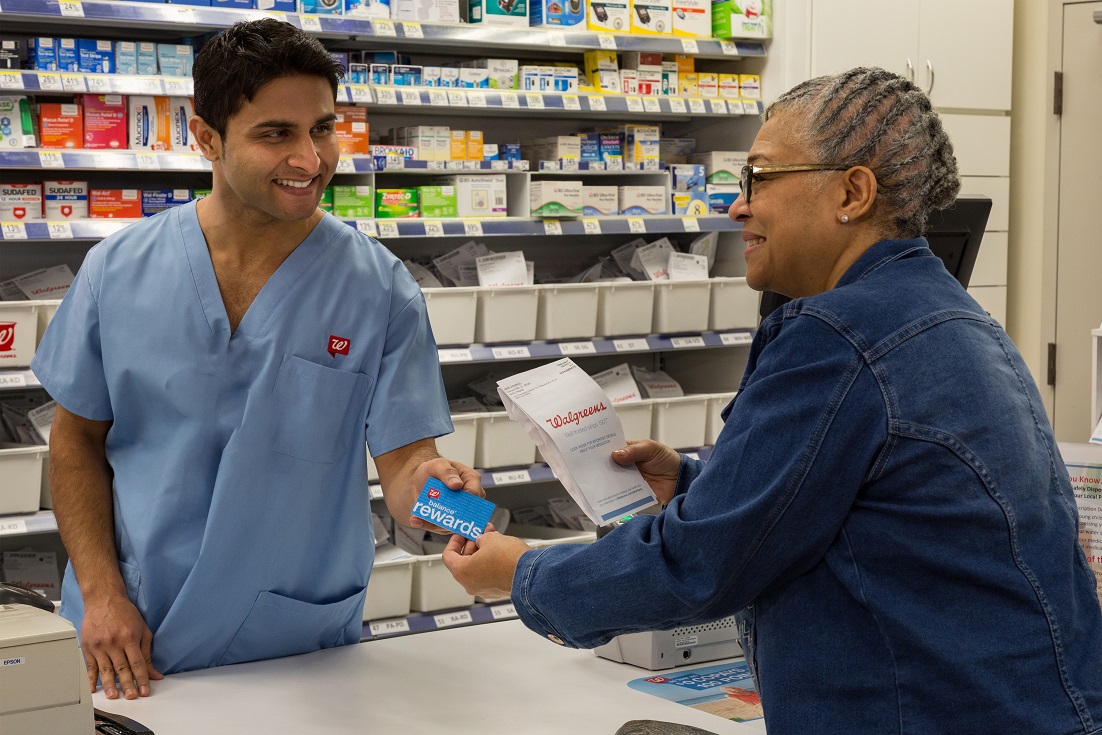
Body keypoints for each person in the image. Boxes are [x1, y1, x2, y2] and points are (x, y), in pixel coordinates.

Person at [444, 67, 1102, 734]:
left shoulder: (836, 336)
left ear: (853, 192)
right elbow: (874, 509)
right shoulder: (961, 319)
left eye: (758, 177)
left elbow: (696, 565)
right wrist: (697, 485)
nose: (737, 205)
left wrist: (521, 573)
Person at [32, 19, 480, 701]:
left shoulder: (379, 288)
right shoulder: (118, 270)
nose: (310, 158)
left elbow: (406, 473)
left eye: (323, 129)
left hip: (291, 646)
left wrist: (452, 504)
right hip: (128, 636)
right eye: (276, 134)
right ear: (206, 137)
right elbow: (74, 440)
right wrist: (101, 594)